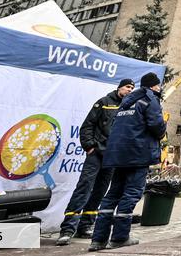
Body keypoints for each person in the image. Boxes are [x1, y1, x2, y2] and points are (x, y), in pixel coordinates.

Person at [89, 72, 165, 251]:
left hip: (118, 154)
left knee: (112, 195)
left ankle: (98, 239)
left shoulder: (126, 102)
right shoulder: (149, 100)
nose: (159, 88)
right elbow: (156, 125)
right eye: (158, 85)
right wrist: (161, 133)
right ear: (154, 86)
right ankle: (120, 237)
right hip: (137, 154)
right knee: (131, 194)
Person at [56, 78, 136, 245]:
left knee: (100, 191)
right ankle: (68, 229)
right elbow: (87, 126)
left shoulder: (128, 108)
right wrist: (89, 146)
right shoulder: (104, 102)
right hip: (96, 153)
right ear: (120, 88)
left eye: (132, 88)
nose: (130, 90)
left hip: (112, 157)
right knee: (84, 187)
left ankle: (85, 225)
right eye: (128, 87)